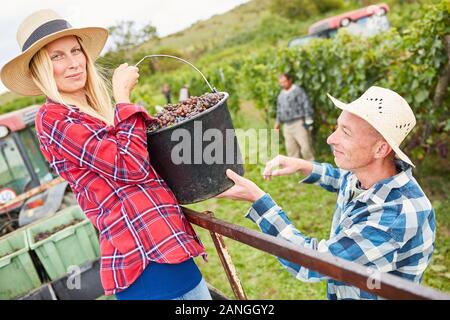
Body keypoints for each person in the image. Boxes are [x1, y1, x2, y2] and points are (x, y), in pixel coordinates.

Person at [0, 9, 211, 300]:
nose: (73, 63)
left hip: (168, 244)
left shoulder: (93, 113)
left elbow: (145, 167)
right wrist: (123, 98)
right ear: (40, 69)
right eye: (57, 56)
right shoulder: (53, 119)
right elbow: (131, 167)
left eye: (76, 51)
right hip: (145, 259)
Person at [217, 86, 436, 300]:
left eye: (346, 132)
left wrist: (259, 200)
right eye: (337, 127)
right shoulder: (366, 174)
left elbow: (311, 262)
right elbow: (343, 179)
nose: (331, 138)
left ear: (380, 149)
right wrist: (305, 166)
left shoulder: (395, 216)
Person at [274, 73, 315, 161]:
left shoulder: (298, 91)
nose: (282, 84)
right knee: (291, 149)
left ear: (290, 80)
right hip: (287, 125)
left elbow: (306, 104)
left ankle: (312, 166)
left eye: (284, 82)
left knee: (305, 147)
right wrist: (277, 122)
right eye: (281, 82)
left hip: (298, 122)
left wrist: (308, 120)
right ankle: (295, 170)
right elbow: (279, 110)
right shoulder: (281, 95)